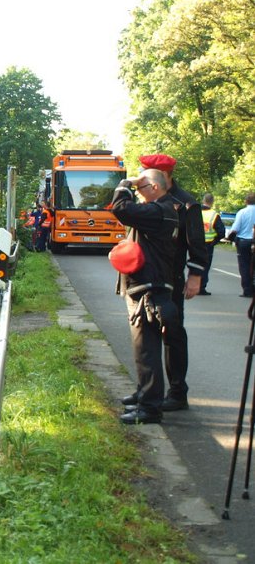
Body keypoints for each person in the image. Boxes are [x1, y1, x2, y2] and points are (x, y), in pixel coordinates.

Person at [122, 154, 206, 412]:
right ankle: (146, 389)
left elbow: (197, 243)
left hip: (171, 278)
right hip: (148, 276)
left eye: (147, 174)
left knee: (172, 333)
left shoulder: (186, 203)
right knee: (145, 338)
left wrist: (195, 276)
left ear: (164, 175)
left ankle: (178, 392)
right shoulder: (150, 198)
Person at [111, 169, 181, 424]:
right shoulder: (163, 211)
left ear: (153, 187)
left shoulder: (159, 211)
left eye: (140, 189)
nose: (137, 195)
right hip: (151, 288)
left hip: (148, 292)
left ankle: (150, 408)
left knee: (147, 350)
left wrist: (125, 184)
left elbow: (120, 208)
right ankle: (145, 395)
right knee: (145, 349)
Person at [227, 193, 255, 298]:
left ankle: (247, 290)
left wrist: (230, 236)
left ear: (246, 201)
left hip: (243, 242)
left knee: (244, 266)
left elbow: (236, 228)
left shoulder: (242, 212)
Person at [199, 192, 225, 295]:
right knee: (205, 266)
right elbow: (221, 232)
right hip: (208, 244)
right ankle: (201, 287)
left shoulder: (195, 212)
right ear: (212, 202)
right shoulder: (214, 215)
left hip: (195, 244)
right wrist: (215, 241)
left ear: (203, 200)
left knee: (195, 264)